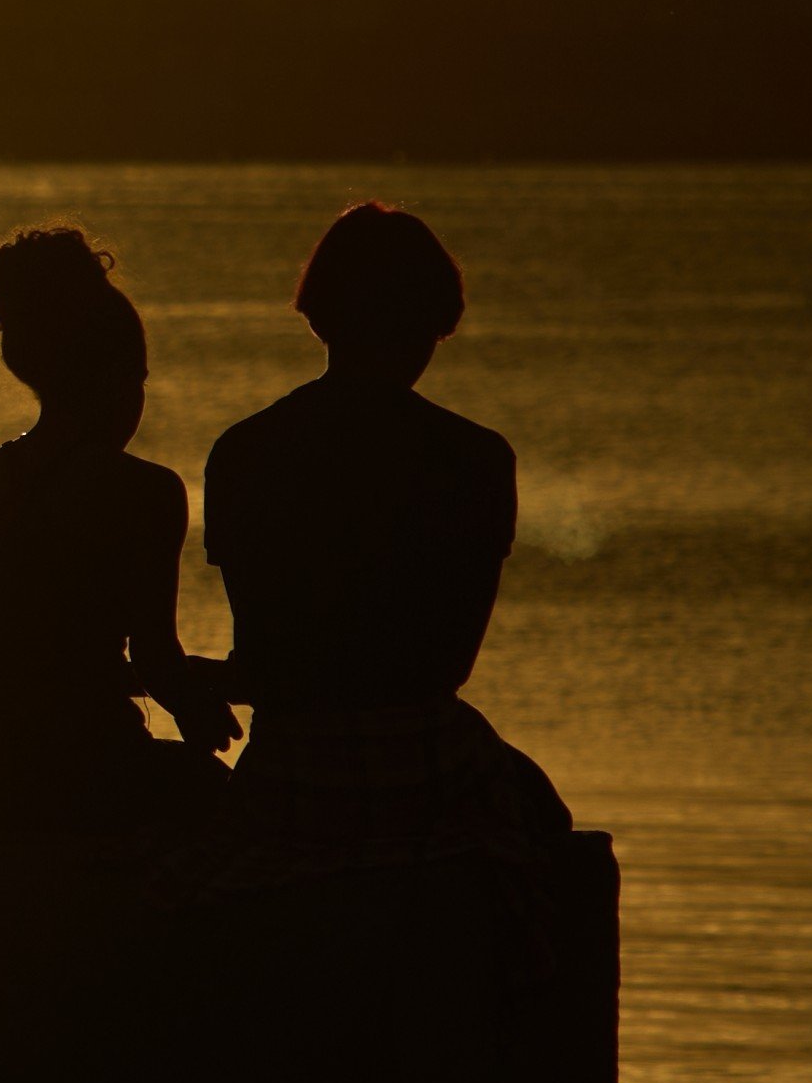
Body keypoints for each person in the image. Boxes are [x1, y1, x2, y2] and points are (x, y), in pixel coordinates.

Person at [203, 201, 568, 863]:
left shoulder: (243, 452)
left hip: (289, 766)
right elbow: (448, 664)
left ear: (319, 318)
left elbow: (266, 655)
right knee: (545, 818)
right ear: (433, 323)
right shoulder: (476, 459)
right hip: (426, 758)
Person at [0, 226, 238, 831]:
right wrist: (198, 709)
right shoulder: (146, 492)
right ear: (116, 377)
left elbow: (15, 650)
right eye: (139, 379)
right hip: (88, 768)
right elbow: (155, 659)